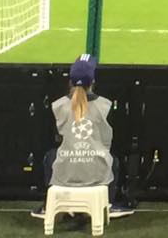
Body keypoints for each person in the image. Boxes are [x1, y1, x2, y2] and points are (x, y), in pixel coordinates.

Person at [31, 54, 134, 220]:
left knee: (50, 156)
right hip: (98, 174)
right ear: (93, 82)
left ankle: (48, 204)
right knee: (113, 160)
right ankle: (109, 203)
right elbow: (114, 140)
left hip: (64, 172)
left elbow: (54, 138)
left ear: (70, 82)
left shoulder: (57, 106)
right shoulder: (106, 106)